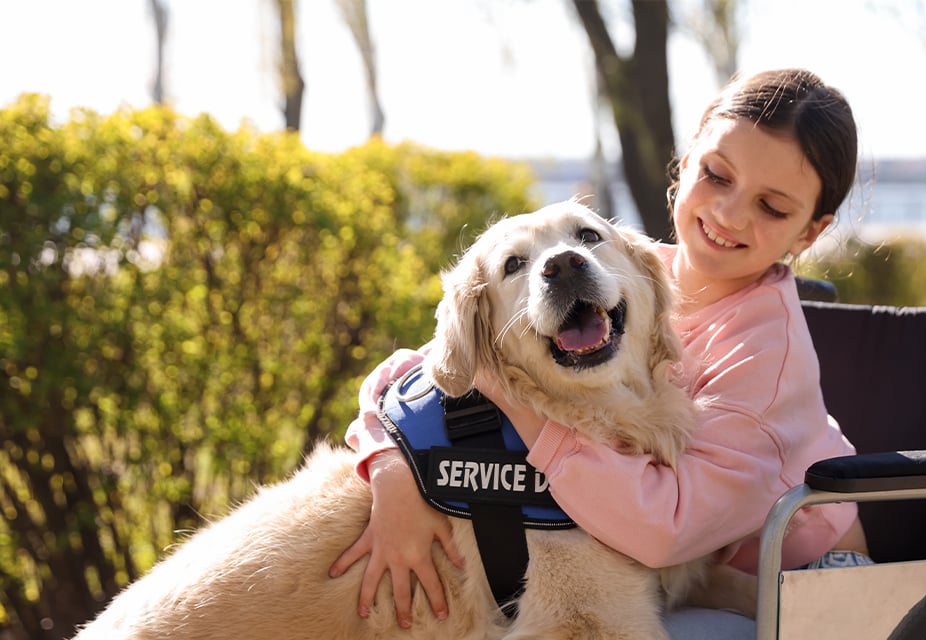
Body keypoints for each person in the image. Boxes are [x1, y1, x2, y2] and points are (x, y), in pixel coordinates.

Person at [329, 68, 871, 637]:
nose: (731, 214)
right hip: (678, 566)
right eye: (717, 175)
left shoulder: (767, 357)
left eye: (772, 207)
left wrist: (522, 410)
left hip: (802, 581)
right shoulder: (629, 269)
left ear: (809, 232)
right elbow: (419, 371)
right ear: (685, 166)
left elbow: (667, 530)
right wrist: (391, 468)